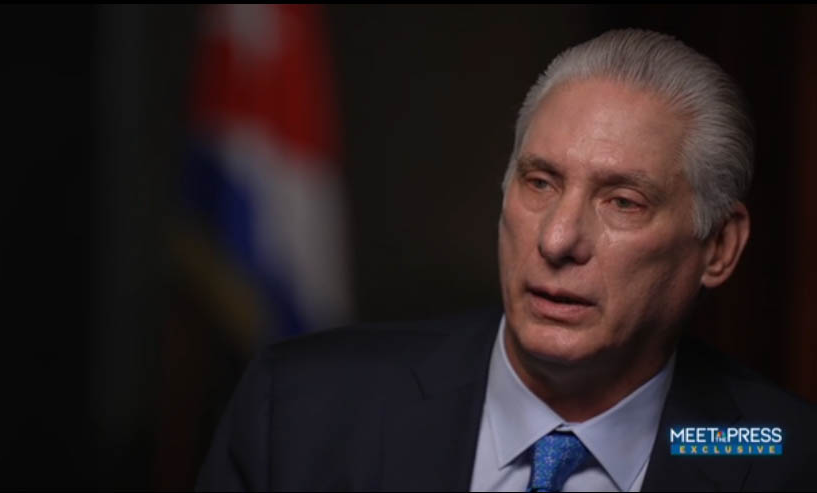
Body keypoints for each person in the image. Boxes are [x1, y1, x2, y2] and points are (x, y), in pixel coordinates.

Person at [196, 29, 817, 492]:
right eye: (540, 182)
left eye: (622, 202)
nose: (557, 239)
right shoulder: (301, 410)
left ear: (719, 248)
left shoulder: (780, 455)